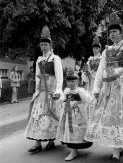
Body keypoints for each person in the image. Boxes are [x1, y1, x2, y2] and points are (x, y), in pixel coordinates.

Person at [84, 12, 123, 162]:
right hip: (108, 89)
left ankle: (117, 150)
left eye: (115, 31)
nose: (112, 34)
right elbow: (99, 71)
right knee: (109, 118)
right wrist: (96, 89)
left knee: (120, 118)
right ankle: (116, 147)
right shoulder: (106, 51)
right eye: (110, 32)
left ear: (121, 33)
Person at [25, 25, 63, 153]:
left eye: (45, 45)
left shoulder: (55, 59)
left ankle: (51, 140)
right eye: (41, 45)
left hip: (51, 92)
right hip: (41, 92)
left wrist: (58, 91)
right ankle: (38, 143)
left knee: (50, 115)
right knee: (38, 115)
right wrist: (36, 90)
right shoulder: (39, 60)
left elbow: (59, 76)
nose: (43, 47)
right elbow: (37, 76)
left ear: (50, 46)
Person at [57, 68, 93, 161]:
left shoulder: (80, 90)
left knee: (78, 131)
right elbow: (63, 98)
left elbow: (88, 100)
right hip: (68, 114)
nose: (70, 83)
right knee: (70, 131)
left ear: (77, 81)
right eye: (69, 82)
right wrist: (59, 100)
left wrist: (79, 101)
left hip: (78, 115)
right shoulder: (66, 90)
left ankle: (75, 150)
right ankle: (73, 151)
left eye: (73, 81)